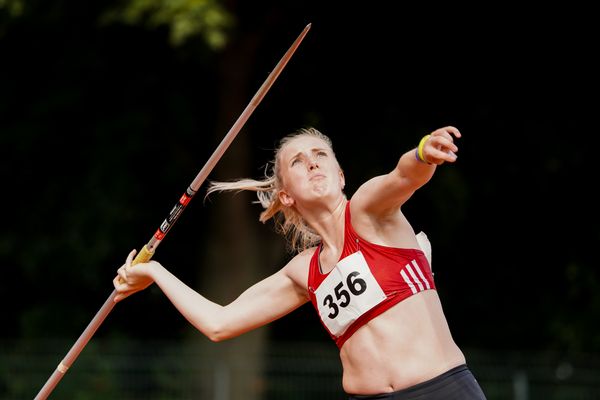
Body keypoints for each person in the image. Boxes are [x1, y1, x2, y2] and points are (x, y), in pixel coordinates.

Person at [113, 125, 487, 399]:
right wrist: (153, 271)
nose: (311, 164)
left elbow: (404, 174)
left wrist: (424, 151)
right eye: (298, 161)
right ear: (286, 196)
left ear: (340, 176)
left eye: (320, 156)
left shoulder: (369, 211)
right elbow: (219, 323)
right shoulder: (302, 272)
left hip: (440, 390)